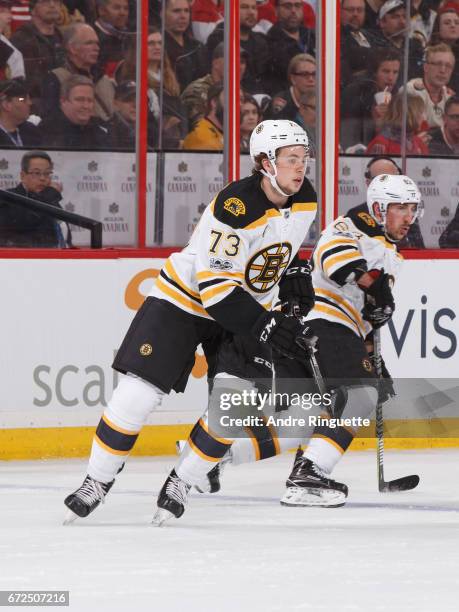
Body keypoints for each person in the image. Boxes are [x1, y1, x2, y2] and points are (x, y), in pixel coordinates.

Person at [63, 119, 317, 523]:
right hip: (186, 300)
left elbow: (274, 247)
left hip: (245, 308)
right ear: (265, 162)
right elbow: (217, 291)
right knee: (136, 395)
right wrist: (267, 324)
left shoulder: (304, 198)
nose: (300, 167)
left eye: (304, 158)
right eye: (291, 159)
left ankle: (183, 479)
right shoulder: (236, 207)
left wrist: (293, 270)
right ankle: (97, 480)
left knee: (233, 408)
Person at [204, 172, 423, 508]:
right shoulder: (355, 224)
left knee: (309, 417)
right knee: (360, 395)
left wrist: (370, 343)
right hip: (323, 323)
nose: (409, 217)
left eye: (413, 209)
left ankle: (214, 456)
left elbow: (367, 308)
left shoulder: (391, 253)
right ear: (379, 208)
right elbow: (331, 257)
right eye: (401, 208)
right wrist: (371, 283)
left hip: (333, 330)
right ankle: (310, 474)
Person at [40, 22, 115, 121]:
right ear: (72, 48)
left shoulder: (104, 80)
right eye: (89, 43)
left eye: (97, 43)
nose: (96, 48)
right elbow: (52, 120)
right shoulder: (57, 78)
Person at [0, 150, 70, 247]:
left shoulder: (51, 201)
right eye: (36, 173)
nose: (43, 178)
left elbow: (65, 239)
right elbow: (25, 223)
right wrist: (49, 194)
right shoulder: (7, 198)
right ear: (23, 176)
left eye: (46, 173)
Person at [340, 47, 401, 150]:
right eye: (386, 71)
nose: (391, 78)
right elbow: (349, 133)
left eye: (395, 72)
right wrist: (373, 121)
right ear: (374, 72)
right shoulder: (356, 92)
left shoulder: (397, 94)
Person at [205, 0, 270, 94]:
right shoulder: (219, 39)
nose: (251, 12)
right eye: (244, 7)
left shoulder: (261, 40)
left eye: (254, 8)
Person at [10, 0, 63, 111]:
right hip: (34, 109)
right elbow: (22, 84)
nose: (52, 5)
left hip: (63, 105)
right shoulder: (21, 39)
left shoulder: (64, 38)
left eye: (57, 1)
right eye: (45, 1)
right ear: (33, 9)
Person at [362, 155, 424, 248]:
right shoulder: (357, 218)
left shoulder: (408, 216)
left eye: (395, 179)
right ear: (368, 183)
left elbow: (418, 249)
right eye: (381, 179)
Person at [38, 74, 111, 149]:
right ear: (63, 101)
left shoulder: (99, 133)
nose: (86, 106)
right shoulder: (47, 131)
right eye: (79, 100)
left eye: (90, 101)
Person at [266, 0, 315, 94]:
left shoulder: (313, 35)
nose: (293, 10)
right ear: (276, 10)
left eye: (297, 6)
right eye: (287, 6)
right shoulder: (269, 41)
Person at [402, 43, 455, 130]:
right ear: (426, 67)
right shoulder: (411, 91)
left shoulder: (450, 97)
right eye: (438, 64)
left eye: (448, 66)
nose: (443, 70)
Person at [373, 0, 424, 81]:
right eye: (395, 17)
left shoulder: (415, 45)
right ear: (382, 22)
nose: (402, 22)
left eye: (405, 16)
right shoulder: (376, 46)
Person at [164, 0, 206, 92]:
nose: (183, 16)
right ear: (162, 14)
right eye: (176, 11)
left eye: (186, 11)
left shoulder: (197, 46)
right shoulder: (159, 46)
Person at [269, 53, 316, 120]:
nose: (311, 79)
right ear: (293, 79)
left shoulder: (324, 101)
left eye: (314, 74)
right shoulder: (280, 105)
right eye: (305, 74)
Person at [94, 0, 131, 77]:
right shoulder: (92, 37)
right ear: (101, 10)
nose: (122, 13)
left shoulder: (130, 37)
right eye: (116, 8)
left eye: (126, 8)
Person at [182, 82, 224, 150]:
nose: (238, 105)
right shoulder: (201, 135)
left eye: (241, 100)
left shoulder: (228, 135)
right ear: (214, 102)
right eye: (231, 98)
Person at [0, 77, 41, 147]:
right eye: (23, 99)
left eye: (29, 99)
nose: (29, 103)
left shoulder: (32, 131)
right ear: (6, 105)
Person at [106, 79, 135, 150]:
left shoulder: (153, 131)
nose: (135, 105)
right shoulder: (106, 133)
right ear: (115, 104)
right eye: (128, 100)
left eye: (140, 99)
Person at [0, 0, 24, 81]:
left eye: (9, 10)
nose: (8, 14)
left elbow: (18, 83)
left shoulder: (10, 48)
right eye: (2, 11)